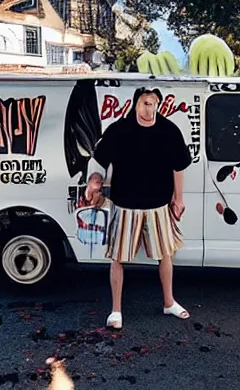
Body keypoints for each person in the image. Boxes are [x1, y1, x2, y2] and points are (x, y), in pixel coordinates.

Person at [86, 87, 192, 329]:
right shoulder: (119, 130)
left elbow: (179, 167)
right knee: (117, 258)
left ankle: (169, 302)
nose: (149, 108)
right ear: (136, 104)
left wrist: (179, 199)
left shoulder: (169, 131)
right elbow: (99, 161)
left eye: (153, 103)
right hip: (126, 206)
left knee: (166, 254)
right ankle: (116, 311)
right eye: (145, 103)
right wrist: (94, 180)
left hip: (158, 206)